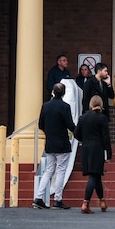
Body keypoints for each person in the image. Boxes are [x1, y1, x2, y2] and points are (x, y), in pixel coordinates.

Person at [33, 82, 76, 210]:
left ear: (53, 92)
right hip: (62, 143)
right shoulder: (65, 106)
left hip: (50, 142)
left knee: (49, 170)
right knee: (61, 170)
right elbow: (70, 125)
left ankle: (39, 197)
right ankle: (58, 199)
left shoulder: (45, 106)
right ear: (63, 93)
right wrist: (79, 132)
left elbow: (41, 125)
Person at [74, 95, 112, 214]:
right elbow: (106, 137)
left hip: (86, 149)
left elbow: (76, 134)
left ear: (90, 105)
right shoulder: (102, 118)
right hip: (97, 149)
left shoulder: (83, 117)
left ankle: (102, 201)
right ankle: (85, 203)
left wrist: (84, 139)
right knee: (94, 176)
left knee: (96, 176)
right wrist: (109, 152)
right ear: (101, 105)